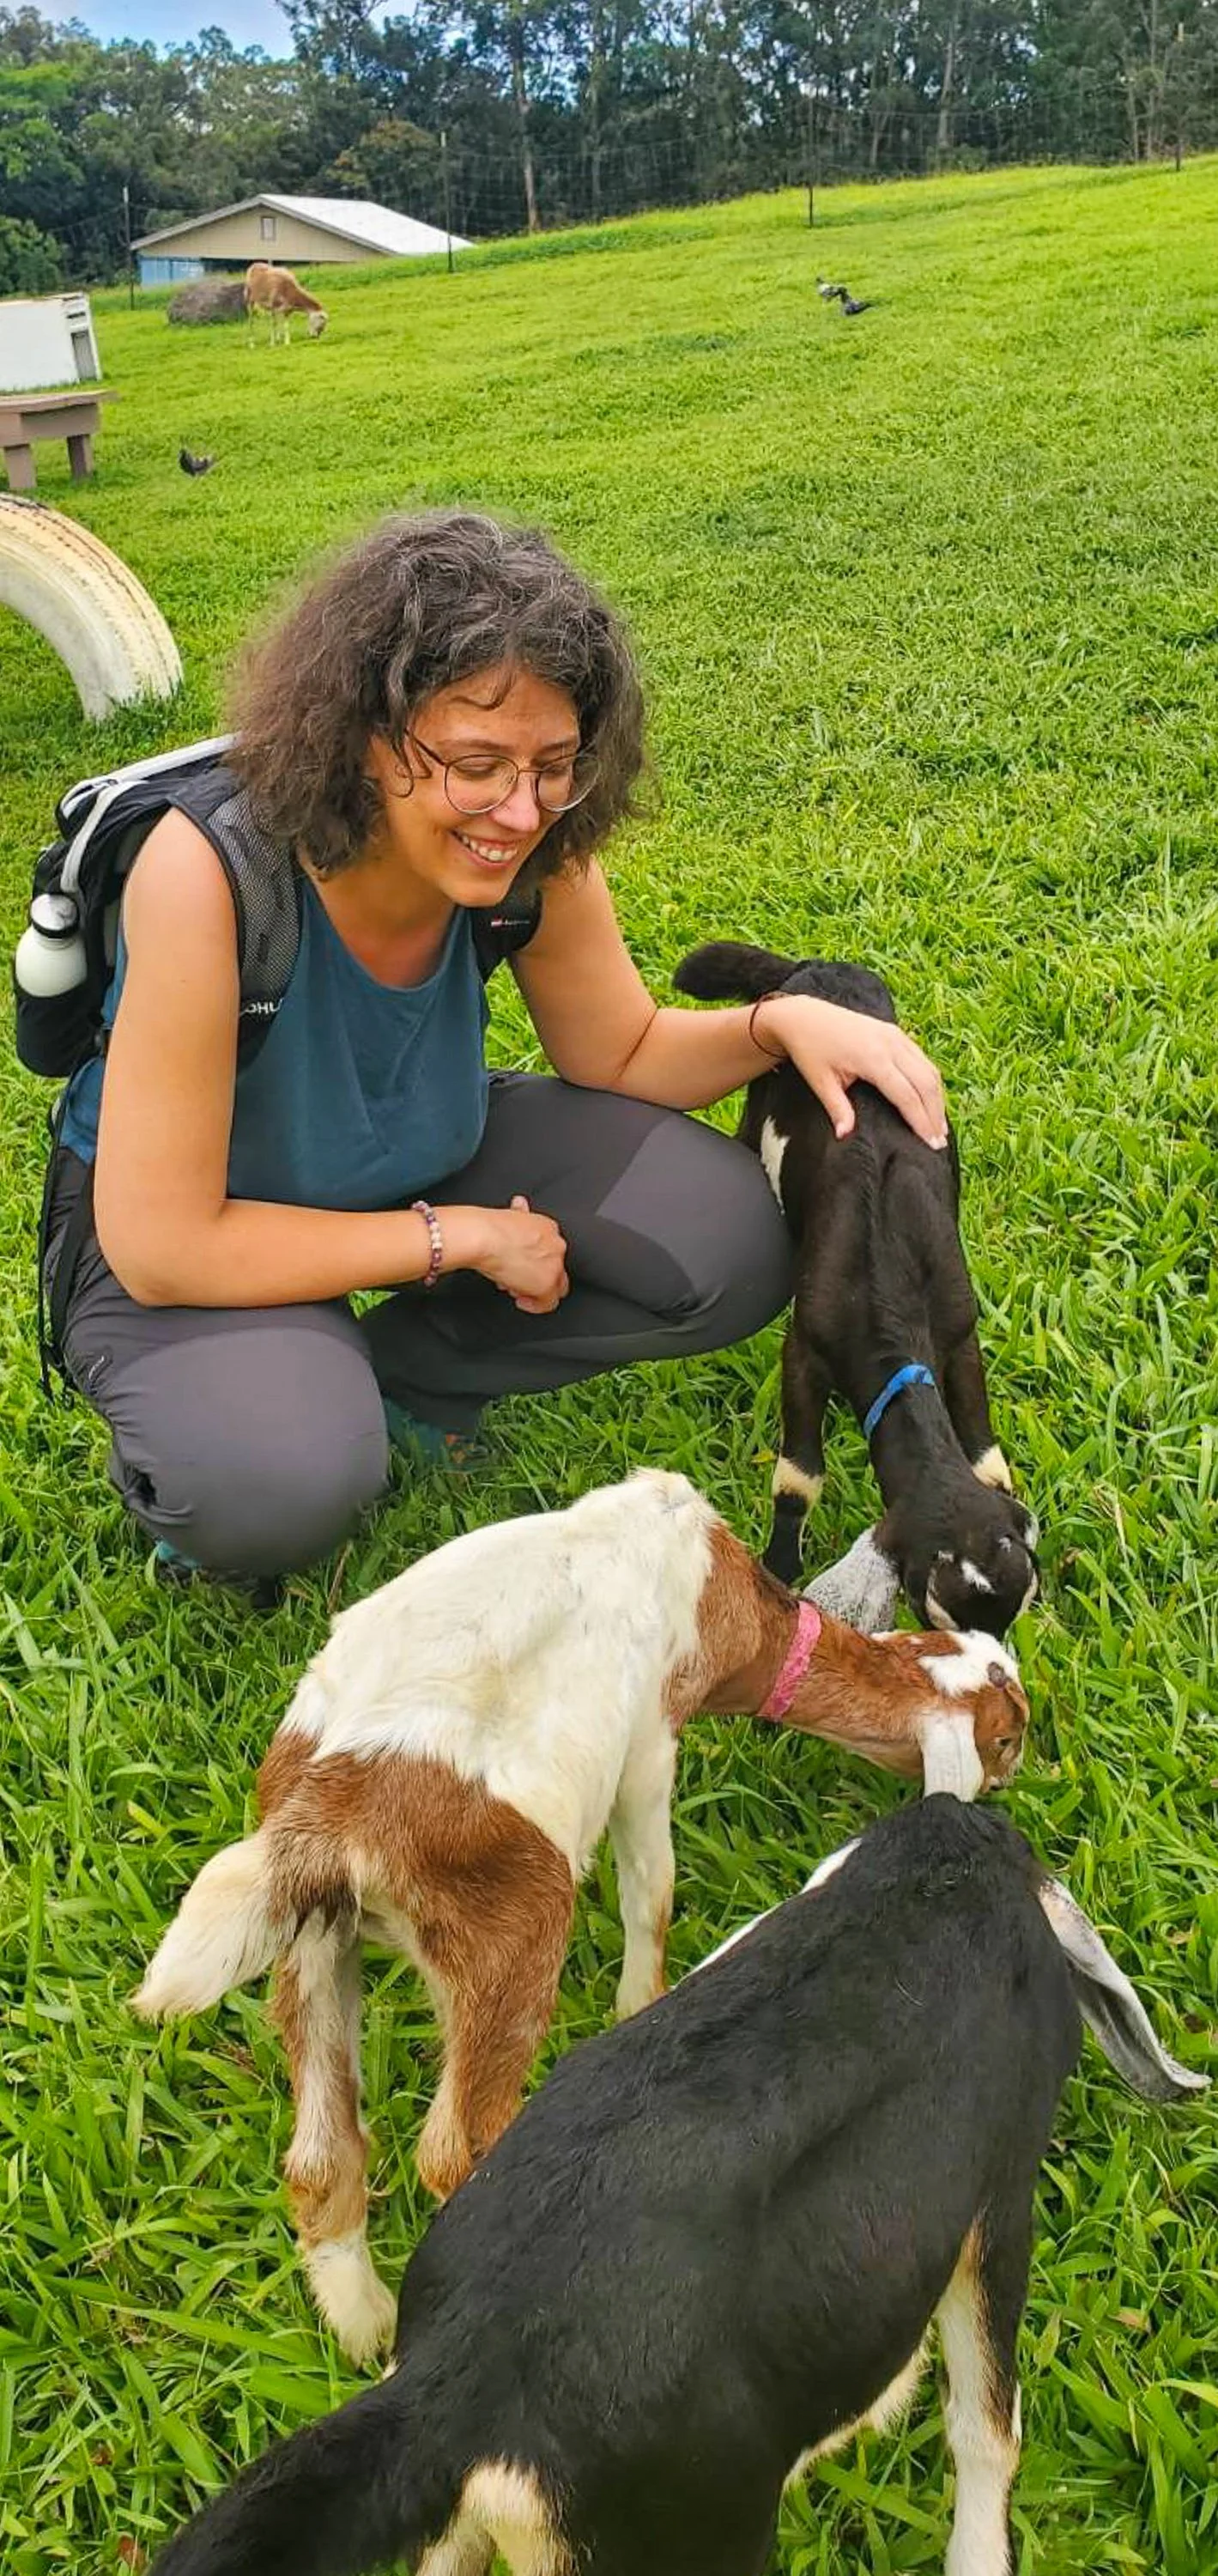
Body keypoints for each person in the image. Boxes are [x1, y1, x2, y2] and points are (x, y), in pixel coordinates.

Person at [44, 509, 946, 1590]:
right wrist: (458, 1237)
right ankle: (245, 1412)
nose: (520, 811)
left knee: (733, 1242)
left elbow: (624, 1047)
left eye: (555, 765)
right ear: (367, 739)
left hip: (398, 1152)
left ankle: (399, 1379)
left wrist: (774, 1025)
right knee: (273, 1487)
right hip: (190, 1234)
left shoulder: (535, 837)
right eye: (477, 764)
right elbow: (165, 1240)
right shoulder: (209, 870)